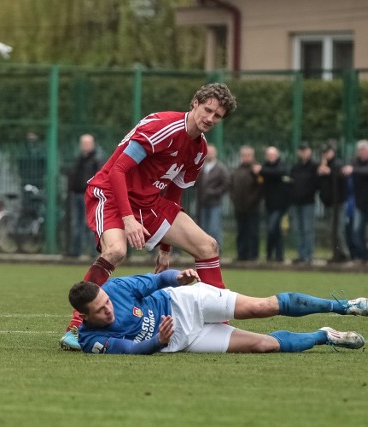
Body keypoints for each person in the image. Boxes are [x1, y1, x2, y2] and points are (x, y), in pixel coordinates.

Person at [60, 83, 237, 350]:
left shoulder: (199, 150)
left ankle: (218, 322)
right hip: (109, 192)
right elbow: (118, 171)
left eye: (217, 116)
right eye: (207, 110)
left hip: (149, 203)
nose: (210, 118)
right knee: (116, 251)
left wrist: (166, 248)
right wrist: (128, 219)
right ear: (194, 103)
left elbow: (174, 193)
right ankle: (75, 327)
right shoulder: (162, 127)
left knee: (207, 246)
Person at [69, 268, 368, 355]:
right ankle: (325, 336)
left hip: (184, 302)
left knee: (260, 307)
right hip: (181, 340)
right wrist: (158, 342)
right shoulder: (90, 339)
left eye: (107, 302)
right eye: (101, 310)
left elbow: (161, 279)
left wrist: (180, 278)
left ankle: (343, 306)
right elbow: (130, 351)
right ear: (85, 316)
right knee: (264, 345)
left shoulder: (118, 288)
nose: (108, 309)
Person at [344, 139, 368, 263]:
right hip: (359, 203)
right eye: (360, 150)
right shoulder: (355, 162)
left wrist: (354, 170)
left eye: (364, 150)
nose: (362, 153)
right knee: (356, 230)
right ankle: (363, 255)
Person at [67, 134, 101, 258]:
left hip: (89, 196)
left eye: (88, 143)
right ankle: (76, 251)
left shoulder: (96, 160)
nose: (85, 146)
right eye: (83, 143)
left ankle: (93, 252)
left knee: (90, 224)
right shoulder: (79, 159)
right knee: (77, 223)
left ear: (93, 144)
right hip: (76, 194)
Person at [317, 142, 350, 263]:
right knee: (332, 230)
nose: (325, 154)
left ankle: (344, 254)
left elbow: (341, 177)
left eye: (327, 152)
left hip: (338, 203)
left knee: (338, 230)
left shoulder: (337, 163)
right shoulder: (323, 165)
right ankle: (336, 254)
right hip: (328, 202)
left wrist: (329, 173)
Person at [229, 146, 263, 262]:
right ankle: (241, 255)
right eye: (244, 155)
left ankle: (253, 255)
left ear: (253, 156)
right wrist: (234, 200)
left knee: (253, 232)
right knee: (241, 232)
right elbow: (232, 187)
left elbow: (260, 188)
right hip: (239, 207)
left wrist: (253, 201)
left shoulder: (256, 171)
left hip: (253, 207)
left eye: (248, 155)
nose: (246, 158)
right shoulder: (237, 171)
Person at [194, 144, 229, 249]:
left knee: (214, 229)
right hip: (201, 202)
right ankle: (203, 251)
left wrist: (214, 192)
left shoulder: (220, 168)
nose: (209, 154)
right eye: (207, 152)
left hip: (215, 203)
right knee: (202, 229)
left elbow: (226, 184)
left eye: (211, 152)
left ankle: (216, 251)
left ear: (215, 154)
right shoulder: (200, 167)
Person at [260, 146, 291, 263]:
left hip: (280, 205)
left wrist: (262, 171)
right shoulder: (265, 167)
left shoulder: (281, 166)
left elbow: (278, 172)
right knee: (274, 230)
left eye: (273, 155)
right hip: (269, 204)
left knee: (273, 229)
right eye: (269, 155)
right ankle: (274, 255)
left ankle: (275, 254)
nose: (271, 157)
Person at [289, 144, 318, 264]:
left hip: (308, 202)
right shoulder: (296, 167)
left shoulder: (314, 167)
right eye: (301, 150)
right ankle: (301, 255)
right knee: (298, 229)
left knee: (307, 229)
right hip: (296, 202)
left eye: (305, 150)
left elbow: (316, 184)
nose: (303, 153)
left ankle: (309, 255)